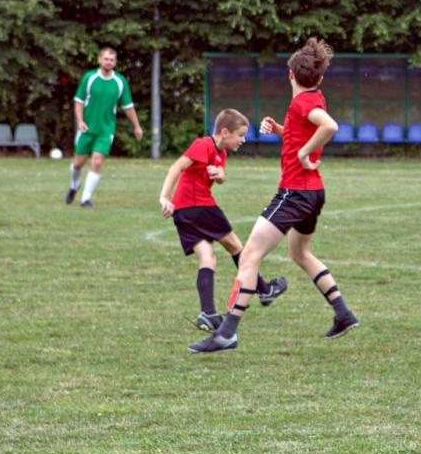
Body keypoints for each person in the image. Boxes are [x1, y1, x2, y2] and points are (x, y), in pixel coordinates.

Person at [189, 38, 358, 353]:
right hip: (313, 192)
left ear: (289, 74)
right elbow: (307, 131)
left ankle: (226, 333)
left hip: (294, 193)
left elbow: (329, 126)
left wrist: (306, 151)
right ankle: (343, 313)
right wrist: (282, 131)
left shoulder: (302, 102)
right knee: (300, 254)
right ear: (319, 78)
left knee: (249, 257)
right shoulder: (315, 97)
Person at [158, 109, 287, 332]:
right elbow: (177, 167)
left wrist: (220, 175)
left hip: (184, 212)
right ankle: (265, 290)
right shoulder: (203, 144)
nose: (243, 140)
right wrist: (164, 197)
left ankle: (207, 313)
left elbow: (220, 177)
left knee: (207, 257)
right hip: (199, 206)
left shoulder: (221, 153)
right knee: (238, 247)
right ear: (225, 132)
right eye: (240, 135)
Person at [65, 47, 143, 208]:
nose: (108, 62)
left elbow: (128, 106)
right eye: (106, 59)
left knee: (97, 161)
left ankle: (85, 199)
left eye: (112, 60)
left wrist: (137, 126)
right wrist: (80, 121)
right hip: (86, 128)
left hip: (106, 130)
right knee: (78, 163)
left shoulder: (120, 82)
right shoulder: (90, 78)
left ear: (115, 63)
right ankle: (74, 185)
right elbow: (79, 101)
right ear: (99, 60)